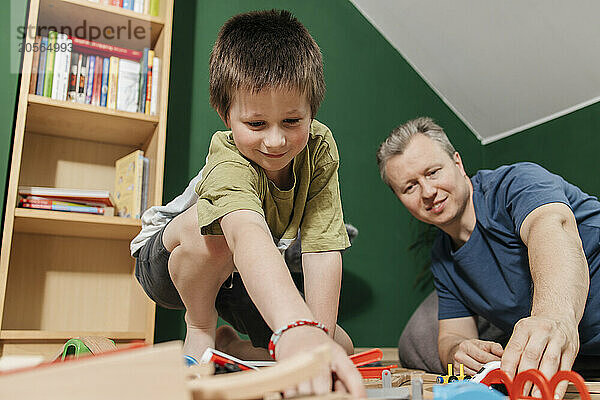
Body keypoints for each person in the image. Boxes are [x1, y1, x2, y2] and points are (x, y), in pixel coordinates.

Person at [131, 10, 365, 397]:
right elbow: (246, 232)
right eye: (256, 124)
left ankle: (232, 348)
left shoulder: (320, 148)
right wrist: (293, 325)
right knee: (218, 228)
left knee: (338, 347)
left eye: (292, 121)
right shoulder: (227, 159)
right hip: (170, 263)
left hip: (241, 272)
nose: (275, 141)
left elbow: (323, 247)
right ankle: (201, 327)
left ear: (312, 111)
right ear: (226, 115)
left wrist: (315, 344)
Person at [377, 117, 600, 398]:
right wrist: (459, 351)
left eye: (433, 172)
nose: (428, 192)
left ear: (457, 163)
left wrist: (553, 317)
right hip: (582, 362)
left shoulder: (516, 183)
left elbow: (551, 226)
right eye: (410, 187)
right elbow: (451, 336)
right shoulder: (443, 258)